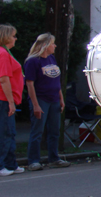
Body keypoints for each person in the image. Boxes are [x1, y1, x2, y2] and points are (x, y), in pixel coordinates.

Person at [24, 33, 69, 170]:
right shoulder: (33, 61)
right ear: (45, 45)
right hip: (41, 99)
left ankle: (54, 158)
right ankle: (33, 160)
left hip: (54, 99)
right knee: (37, 131)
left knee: (55, 130)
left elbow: (56, 81)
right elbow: (30, 84)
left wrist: (61, 98)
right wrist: (36, 105)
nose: (55, 46)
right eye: (52, 43)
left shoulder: (51, 58)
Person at [0, 24, 25, 177]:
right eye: (13, 35)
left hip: (2, 97)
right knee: (3, 133)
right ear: (6, 37)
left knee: (10, 132)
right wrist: (10, 101)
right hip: (1, 98)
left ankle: (10, 163)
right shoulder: (1, 53)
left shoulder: (1, 51)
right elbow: (4, 79)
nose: (15, 38)